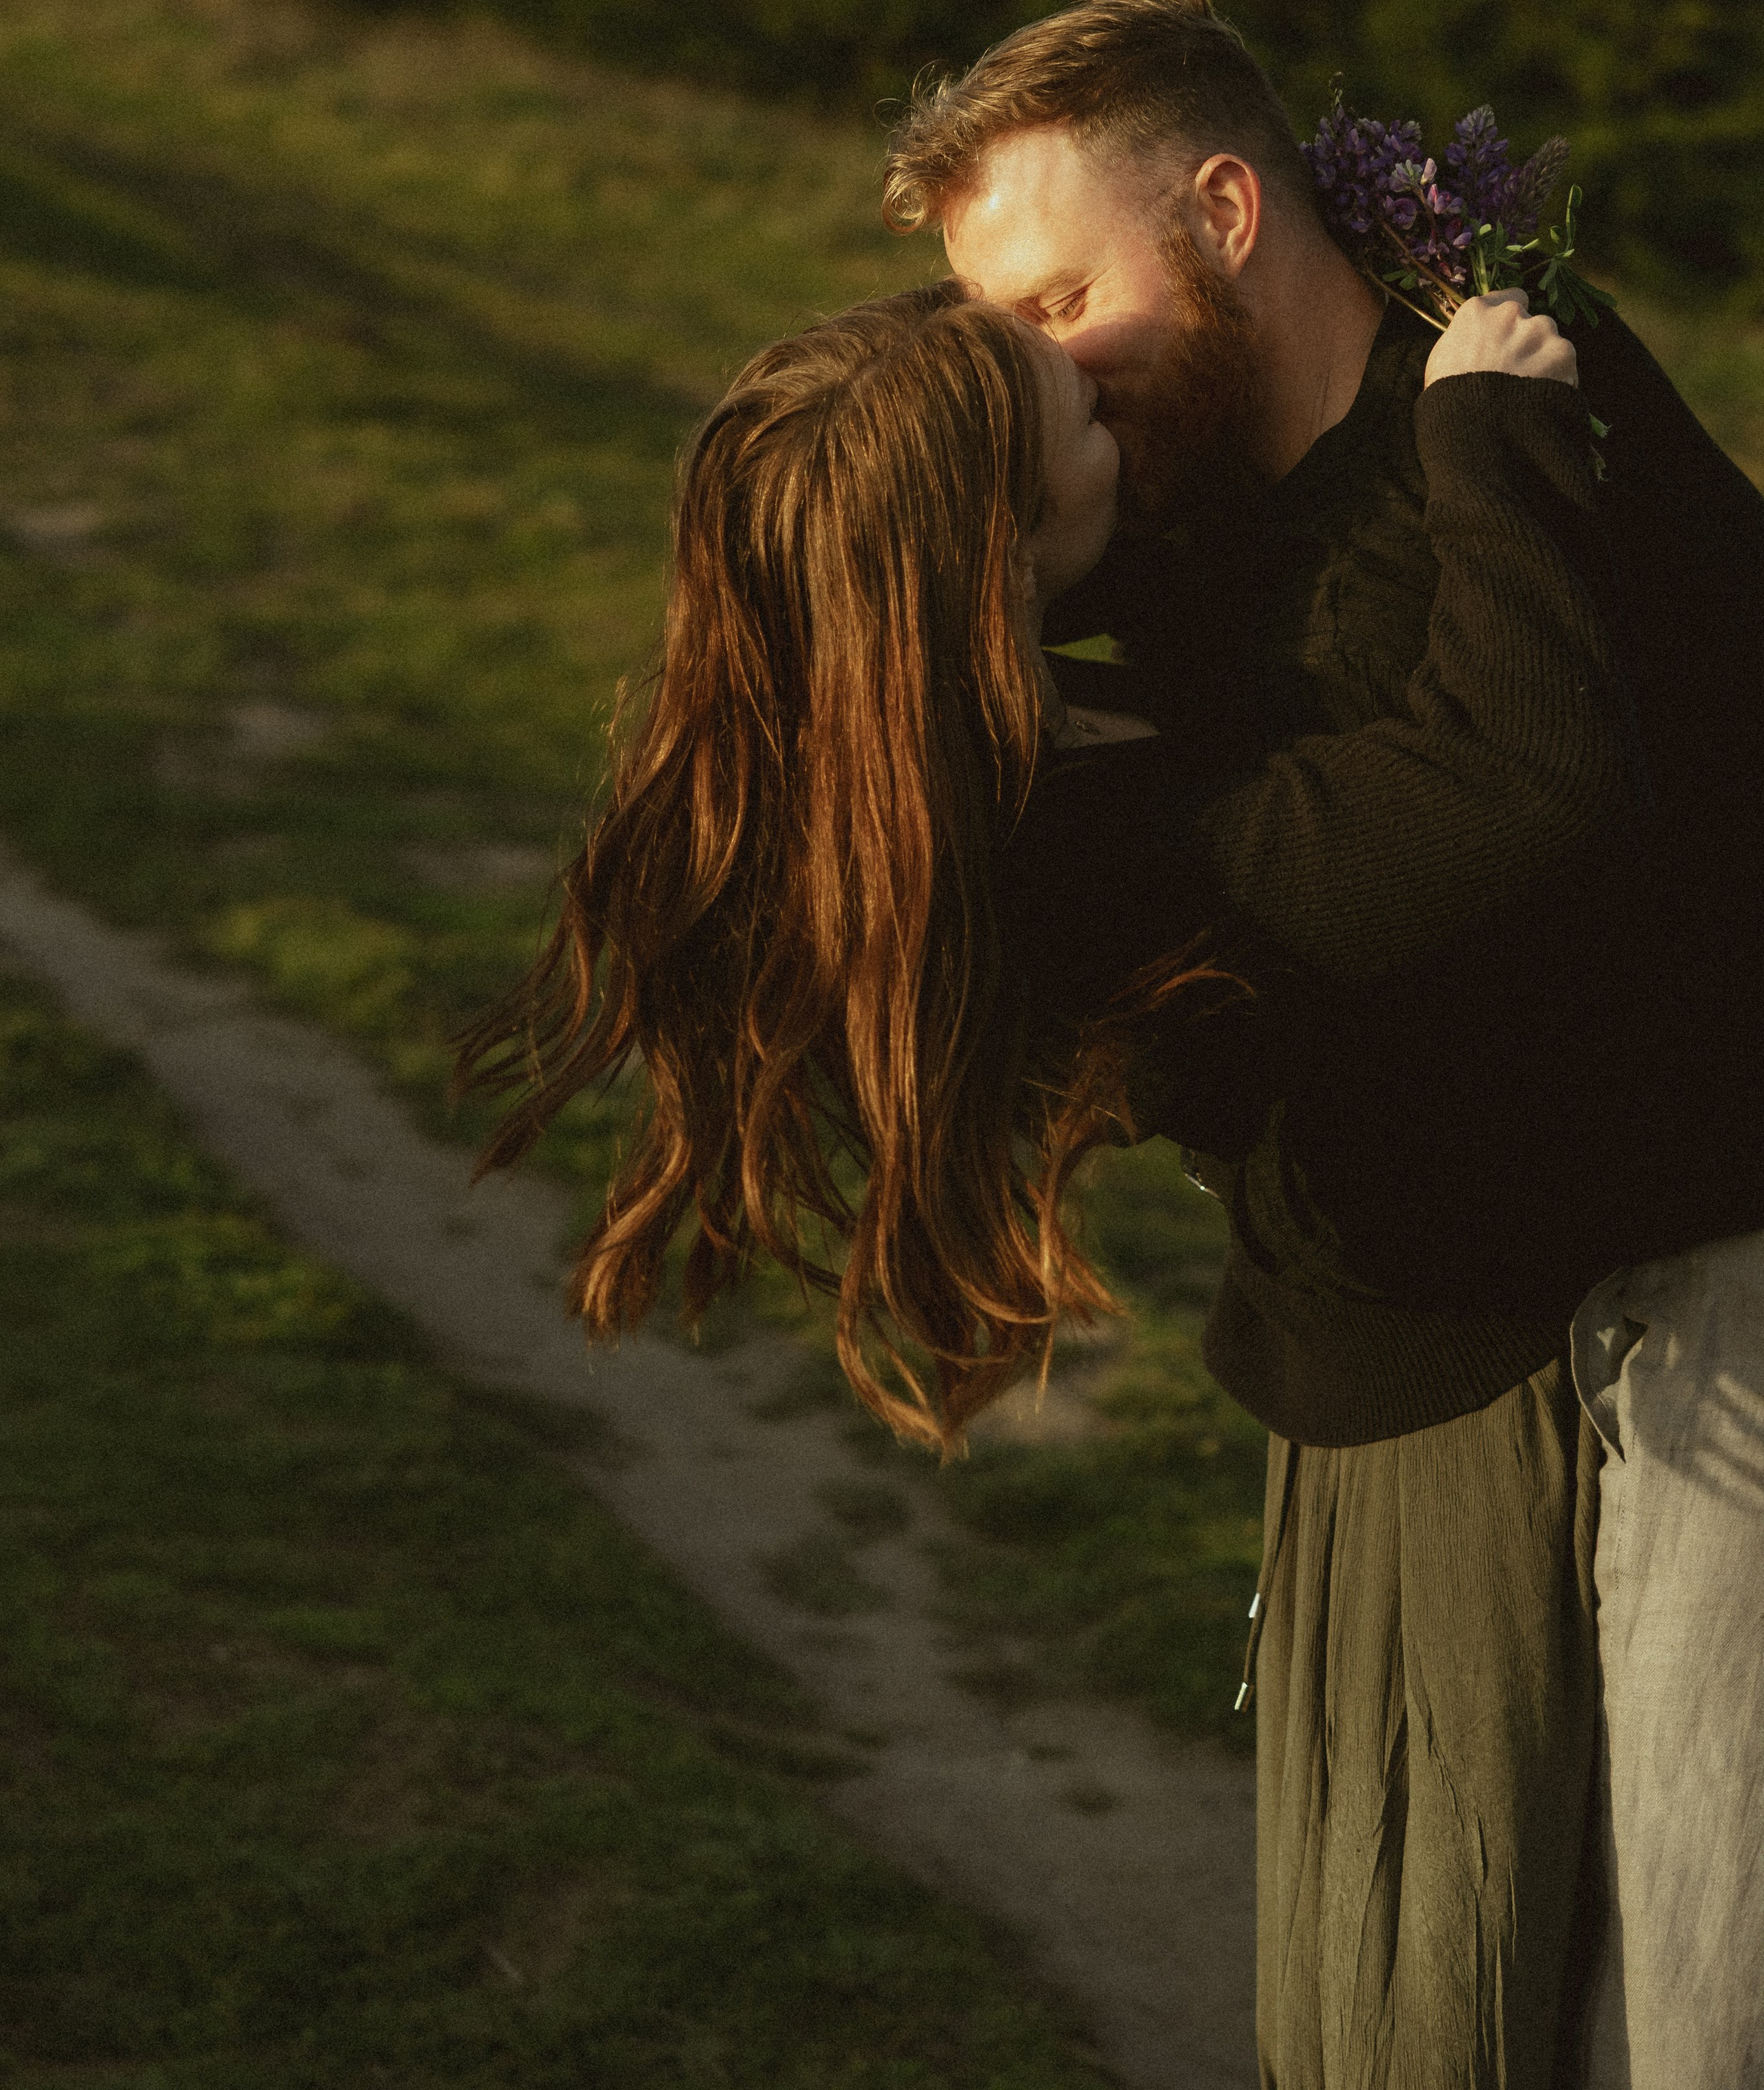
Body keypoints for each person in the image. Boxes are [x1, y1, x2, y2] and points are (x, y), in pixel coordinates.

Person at [458, 269, 1642, 2083]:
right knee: (1457, 1944)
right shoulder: (1102, 846)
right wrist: (1484, 432)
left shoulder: (989, 739)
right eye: (1073, 416)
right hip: (1440, 1380)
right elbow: (1508, 777)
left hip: (1404, 1330)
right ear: (995, 555)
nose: (1111, 399)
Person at [881, 0, 1764, 2089]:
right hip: (1438, 1357)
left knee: (1692, 1985)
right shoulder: (1171, 525)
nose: (1035, 372)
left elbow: (1584, 784)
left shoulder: (1509, 435)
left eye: (1058, 300)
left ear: (1228, 212)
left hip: (1694, 1284)